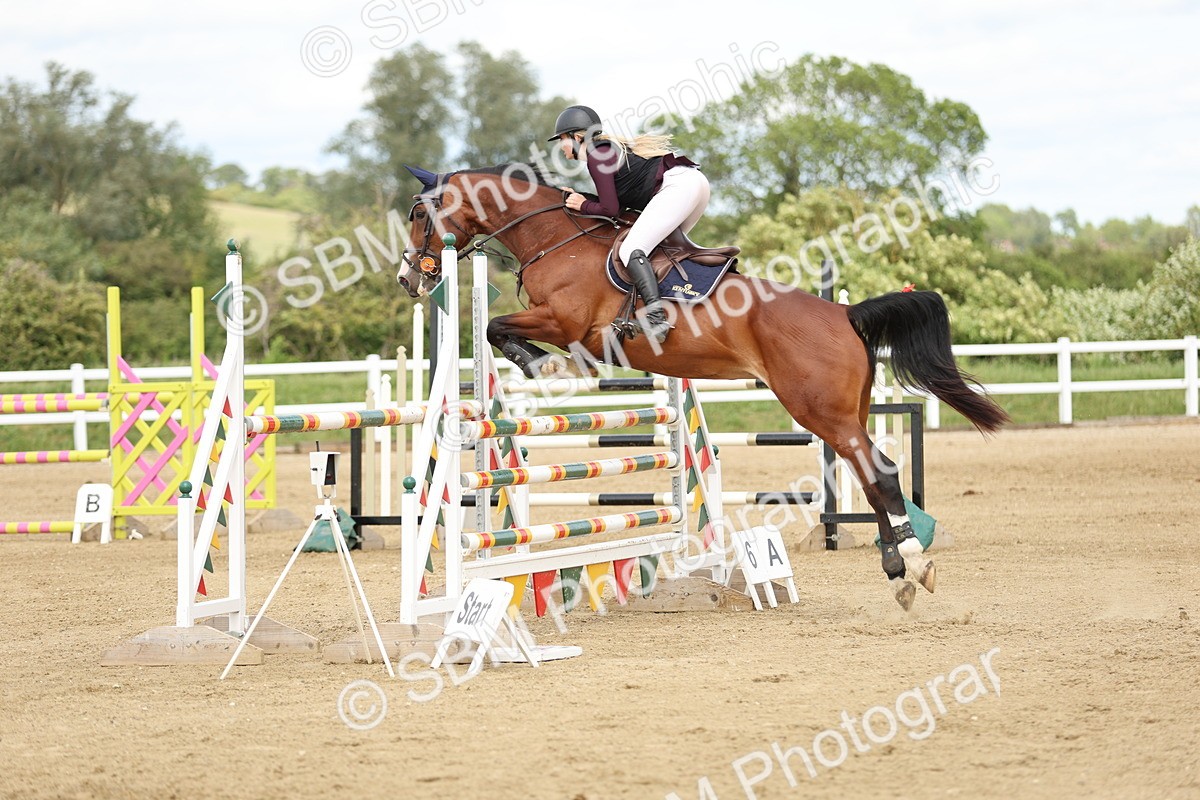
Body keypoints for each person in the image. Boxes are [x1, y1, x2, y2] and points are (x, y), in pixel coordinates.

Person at [548, 105, 711, 344]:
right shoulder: (604, 150)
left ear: (577, 137)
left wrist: (582, 205)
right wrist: (582, 199)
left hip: (679, 187)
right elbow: (614, 203)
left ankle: (656, 320)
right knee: (658, 251)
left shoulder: (596, 154)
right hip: (693, 183)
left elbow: (610, 210)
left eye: (562, 139)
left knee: (630, 250)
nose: (561, 147)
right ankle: (682, 303)